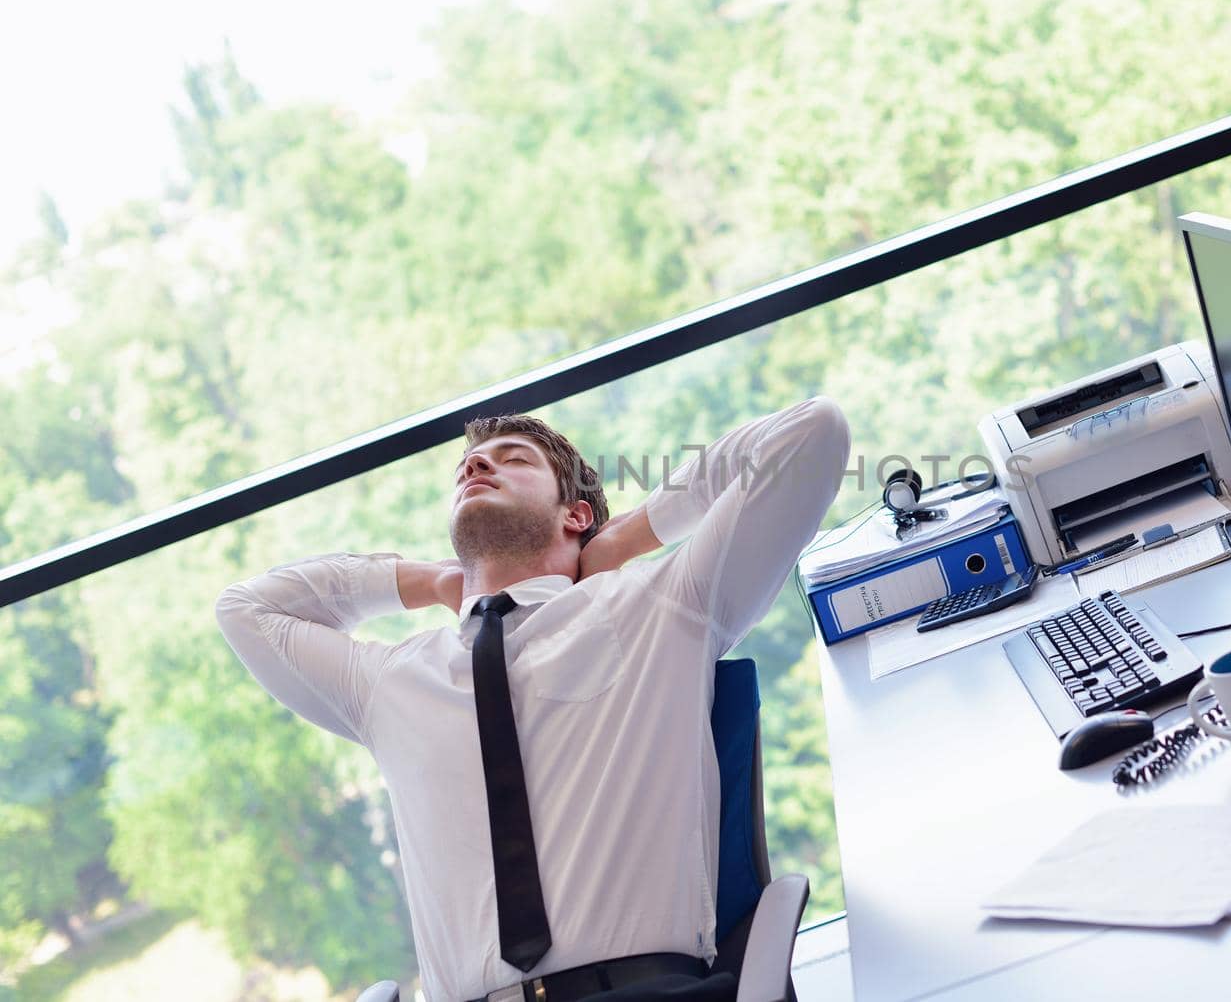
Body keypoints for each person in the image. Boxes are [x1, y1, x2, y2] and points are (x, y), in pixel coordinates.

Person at [215, 397, 851, 1002]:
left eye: (514, 457)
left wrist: (625, 539)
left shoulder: (660, 605)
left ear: (574, 514)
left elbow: (809, 437)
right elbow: (246, 610)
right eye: (469, 465)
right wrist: (432, 580)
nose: (477, 465)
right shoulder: (386, 682)